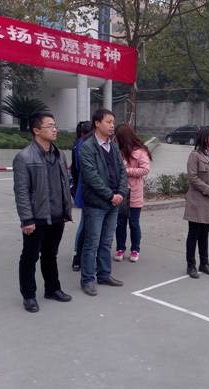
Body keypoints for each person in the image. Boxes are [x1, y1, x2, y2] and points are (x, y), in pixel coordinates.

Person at [13, 112, 73, 313]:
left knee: (50, 255)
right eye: (49, 126)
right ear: (36, 130)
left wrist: (66, 209)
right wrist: (26, 219)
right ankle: (29, 295)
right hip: (36, 218)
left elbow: (64, 184)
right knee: (30, 257)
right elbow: (21, 191)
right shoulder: (24, 157)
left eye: (55, 125)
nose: (54, 129)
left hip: (57, 215)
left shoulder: (59, 155)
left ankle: (52, 289)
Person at [79, 109, 128, 296]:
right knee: (92, 242)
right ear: (97, 123)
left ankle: (104, 274)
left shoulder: (113, 146)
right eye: (108, 122)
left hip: (114, 202)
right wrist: (110, 195)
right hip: (96, 204)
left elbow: (122, 171)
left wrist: (121, 193)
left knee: (107, 241)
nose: (112, 125)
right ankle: (87, 279)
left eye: (113, 122)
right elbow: (91, 177)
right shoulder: (87, 147)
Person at [183, 126, 209, 279]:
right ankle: (191, 265)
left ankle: (204, 263)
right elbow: (193, 178)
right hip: (197, 202)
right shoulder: (195, 156)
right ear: (205, 137)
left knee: (205, 234)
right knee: (193, 234)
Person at [113, 124, 152, 263]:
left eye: (118, 138)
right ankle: (120, 248)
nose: (116, 140)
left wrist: (126, 170)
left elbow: (145, 170)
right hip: (121, 192)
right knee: (120, 223)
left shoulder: (140, 152)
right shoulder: (117, 150)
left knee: (134, 223)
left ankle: (135, 249)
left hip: (134, 192)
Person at [70, 120, 92, 271]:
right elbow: (81, 169)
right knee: (85, 225)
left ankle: (80, 256)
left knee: (86, 225)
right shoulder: (83, 145)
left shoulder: (78, 144)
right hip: (85, 191)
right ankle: (78, 256)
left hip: (82, 190)